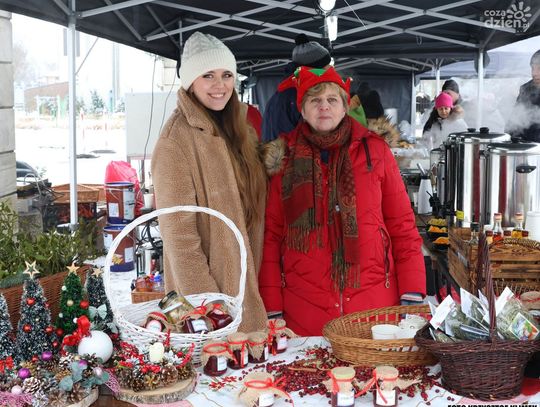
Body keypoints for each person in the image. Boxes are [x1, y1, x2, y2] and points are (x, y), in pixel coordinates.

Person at [259, 67, 426, 336]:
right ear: (302, 109)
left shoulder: (376, 151)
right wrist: (271, 306)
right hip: (304, 312)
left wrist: (413, 291)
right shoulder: (284, 158)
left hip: (373, 309)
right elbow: (271, 235)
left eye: (332, 99)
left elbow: (402, 225)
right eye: (314, 100)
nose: (323, 106)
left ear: (345, 106)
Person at [151, 32, 268, 332]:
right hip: (208, 309)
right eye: (208, 76)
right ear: (190, 82)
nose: (220, 85)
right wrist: (210, 309)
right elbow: (179, 237)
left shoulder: (239, 130)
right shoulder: (175, 141)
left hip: (244, 289)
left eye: (227, 75)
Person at [262, 34, 331, 142]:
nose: (329, 71)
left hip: (275, 151)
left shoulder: (283, 92)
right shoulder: (301, 95)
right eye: (325, 68)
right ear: (314, 69)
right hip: (288, 152)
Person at [510, 49, 540, 142]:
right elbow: (514, 121)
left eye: (539, 68)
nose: (534, 73)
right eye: (532, 68)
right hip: (526, 145)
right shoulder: (525, 89)